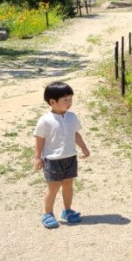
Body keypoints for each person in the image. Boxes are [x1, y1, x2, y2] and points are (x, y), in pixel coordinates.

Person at [33, 82, 90, 228]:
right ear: (52, 102)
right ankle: (48, 213)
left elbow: (75, 133)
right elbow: (39, 139)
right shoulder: (45, 120)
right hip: (53, 159)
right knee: (53, 187)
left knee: (68, 184)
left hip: (70, 156)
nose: (69, 103)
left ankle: (67, 210)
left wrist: (83, 147)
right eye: (65, 100)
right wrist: (37, 157)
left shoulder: (72, 117)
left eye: (70, 99)